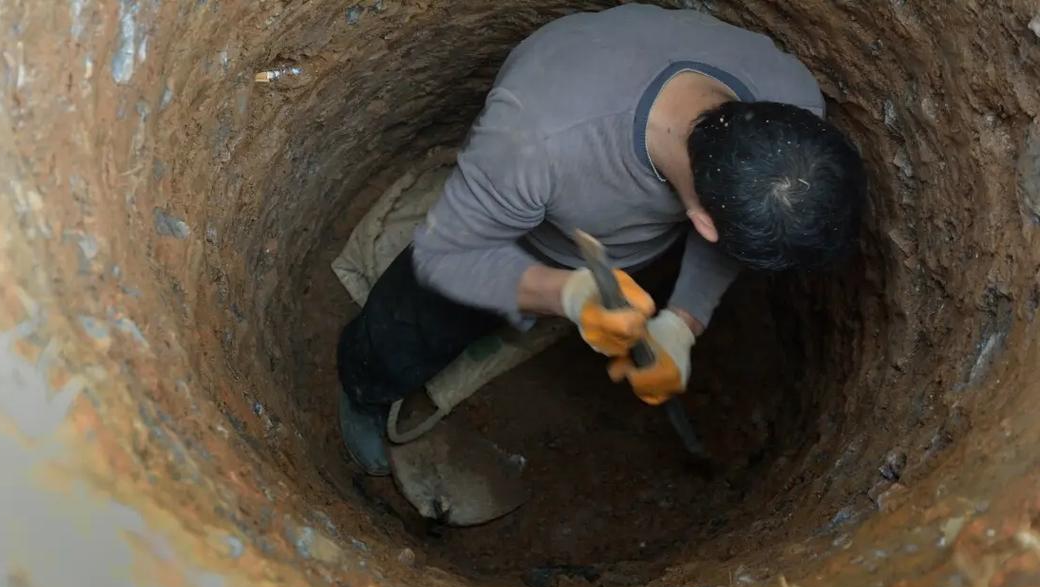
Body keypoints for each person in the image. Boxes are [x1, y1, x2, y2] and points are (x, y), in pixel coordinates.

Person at [337, 3, 866, 476]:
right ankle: (365, 387)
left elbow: (727, 233)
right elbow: (446, 253)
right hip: (516, 239)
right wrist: (565, 294)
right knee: (412, 325)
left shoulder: (792, 100)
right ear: (702, 224)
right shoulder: (536, 142)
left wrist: (683, 321)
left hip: (610, 229)